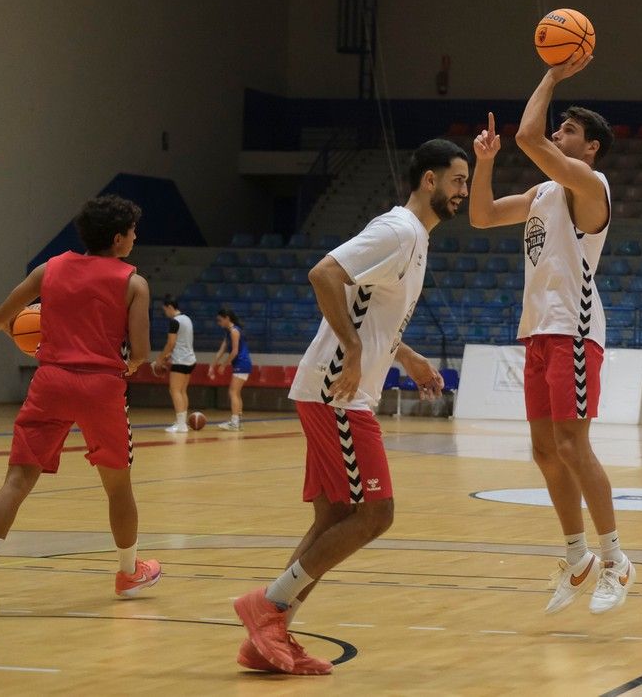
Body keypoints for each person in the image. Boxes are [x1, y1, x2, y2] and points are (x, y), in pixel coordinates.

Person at [231, 140, 464, 674]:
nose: (462, 191)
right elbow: (324, 274)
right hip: (339, 392)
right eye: (457, 180)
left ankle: (267, 636)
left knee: (336, 519)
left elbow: (367, 305)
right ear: (429, 180)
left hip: (337, 390)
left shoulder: (416, 239)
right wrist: (356, 352)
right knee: (375, 514)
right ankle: (265, 609)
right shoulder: (398, 230)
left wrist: (403, 356)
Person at [469, 53, 635, 616]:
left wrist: (554, 74)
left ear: (590, 148)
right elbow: (482, 216)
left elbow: (528, 133)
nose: (558, 134)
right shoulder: (542, 195)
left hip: (575, 328)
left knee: (572, 444)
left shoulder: (591, 184)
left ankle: (615, 559)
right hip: (538, 330)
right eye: (559, 126)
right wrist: (484, 161)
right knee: (545, 451)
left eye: (571, 130)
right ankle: (578, 556)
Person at [0, 195, 160, 612]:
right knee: (117, 486)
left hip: (50, 379)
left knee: (16, 481)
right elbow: (139, 352)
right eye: (133, 232)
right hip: (101, 386)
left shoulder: (50, 269)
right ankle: (128, 572)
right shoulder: (133, 283)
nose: (136, 238)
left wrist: (34, 343)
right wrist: (126, 361)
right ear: (118, 238)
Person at [153, 296, 196, 433]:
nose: (165, 313)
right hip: (190, 360)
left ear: (170, 307)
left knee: (175, 390)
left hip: (180, 361)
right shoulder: (187, 319)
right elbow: (183, 342)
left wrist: (159, 359)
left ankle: (181, 425)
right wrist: (169, 356)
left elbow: (171, 343)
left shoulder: (174, 321)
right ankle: (182, 422)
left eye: (165, 310)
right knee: (182, 391)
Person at [208, 308, 252, 432]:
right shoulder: (228, 332)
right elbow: (221, 350)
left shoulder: (234, 331)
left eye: (220, 320)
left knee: (233, 392)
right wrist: (213, 365)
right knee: (236, 393)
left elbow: (234, 351)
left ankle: (234, 422)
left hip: (242, 363)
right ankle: (238, 421)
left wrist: (223, 365)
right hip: (242, 364)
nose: (219, 323)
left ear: (227, 318)